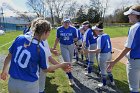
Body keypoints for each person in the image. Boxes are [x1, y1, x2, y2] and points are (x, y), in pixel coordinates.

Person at [0, 18, 71, 93]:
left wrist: (4, 70)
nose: (48, 35)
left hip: (12, 83)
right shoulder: (40, 48)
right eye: (48, 33)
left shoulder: (20, 38)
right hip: (28, 85)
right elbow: (46, 69)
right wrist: (61, 65)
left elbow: (8, 56)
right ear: (44, 32)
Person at [107, 5, 140, 93]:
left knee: (134, 88)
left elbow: (127, 48)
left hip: (135, 61)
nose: (128, 16)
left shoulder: (135, 27)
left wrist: (114, 62)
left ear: (135, 14)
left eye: (130, 14)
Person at [84, 21, 115, 89]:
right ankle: (112, 82)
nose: (94, 31)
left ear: (97, 30)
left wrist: (88, 51)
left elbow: (98, 50)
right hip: (109, 54)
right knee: (109, 69)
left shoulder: (99, 38)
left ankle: (104, 84)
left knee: (103, 70)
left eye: (95, 30)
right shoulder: (107, 35)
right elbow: (110, 45)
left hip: (103, 55)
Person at [53, 18, 77, 85]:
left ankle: (68, 70)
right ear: (62, 23)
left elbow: (75, 38)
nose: (66, 24)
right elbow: (57, 38)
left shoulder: (73, 29)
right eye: (65, 22)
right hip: (63, 46)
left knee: (70, 61)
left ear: (70, 23)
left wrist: (78, 44)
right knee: (67, 62)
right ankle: (70, 79)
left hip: (71, 46)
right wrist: (54, 47)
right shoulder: (59, 29)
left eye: (68, 22)